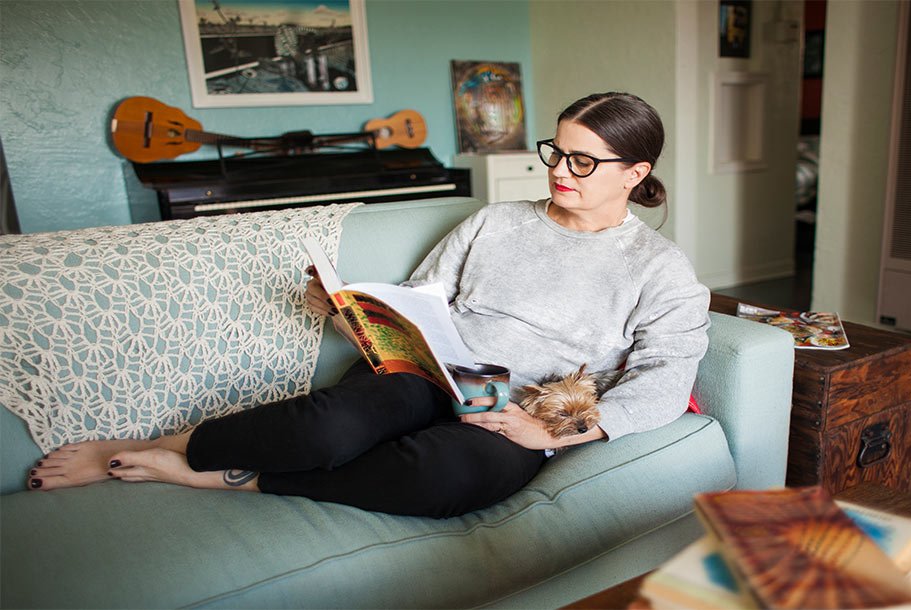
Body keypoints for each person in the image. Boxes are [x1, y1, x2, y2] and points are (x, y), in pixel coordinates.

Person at [26, 92, 711, 518]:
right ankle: (149, 447)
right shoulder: (496, 222)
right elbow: (424, 299)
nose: (559, 171)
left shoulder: (659, 268)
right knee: (328, 426)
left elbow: (665, 380)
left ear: (636, 173)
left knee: (442, 475)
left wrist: (553, 434)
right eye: (555, 151)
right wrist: (355, 313)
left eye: (583, 161)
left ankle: (233, 481)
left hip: (519, 406)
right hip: (430, 372)